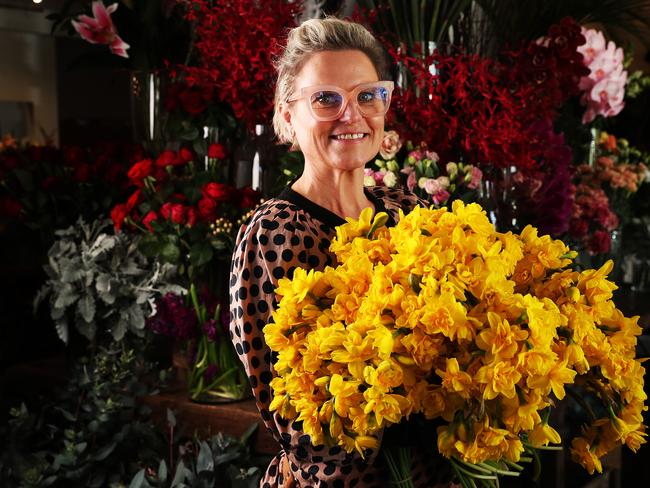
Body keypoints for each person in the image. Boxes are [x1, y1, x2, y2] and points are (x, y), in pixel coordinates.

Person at [229, 17, 440, 488]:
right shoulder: (273, 234)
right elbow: (300, 421)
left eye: (367, 95)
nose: (352, 115)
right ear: (287, 115)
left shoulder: (413, 214)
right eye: (326, 99)